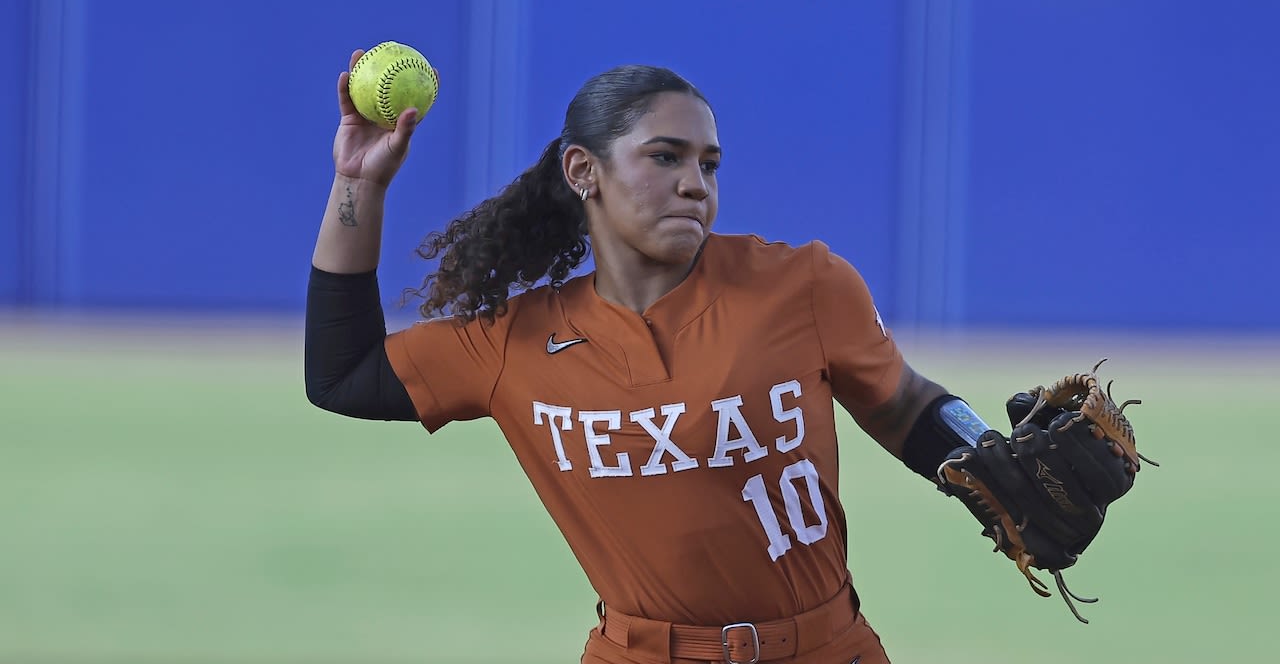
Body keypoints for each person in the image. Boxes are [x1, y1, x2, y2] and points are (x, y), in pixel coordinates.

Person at [304, 52, 1113, 663]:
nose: (696, 182)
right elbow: (342, 376)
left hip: (826, 649)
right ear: (584, 172)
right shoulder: (516, 343)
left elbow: (902, 403)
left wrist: (979, 447)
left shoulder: (800, 285)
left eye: (709, 164)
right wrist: (358, 185)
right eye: (665, 157)